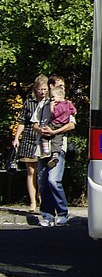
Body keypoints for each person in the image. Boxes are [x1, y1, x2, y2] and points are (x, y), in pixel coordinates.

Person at [36, 75, 75, 227]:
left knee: (54, 180)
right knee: (43, 182)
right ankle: (47, 215)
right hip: (43, 147)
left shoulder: (66, 104)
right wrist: (42, 130)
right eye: (60, 86)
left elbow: (72, 125)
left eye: (63, 86)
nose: (62, 89)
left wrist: (54, 131)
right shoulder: (43, 105)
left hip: (58, 146)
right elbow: (34, 123)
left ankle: (63, 212)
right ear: (51, 87)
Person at [10, 75, 48, 213]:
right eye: (40, 89)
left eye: (45, 89)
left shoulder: (50, 102)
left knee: (42, 172)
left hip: (44, 140)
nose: (42, 92)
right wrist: (16, 138)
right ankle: (32, 202)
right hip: (29, 138)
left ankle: (42, 199)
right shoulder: (29, 102)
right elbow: (22, 121)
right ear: (35, 89)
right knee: (31, 171)